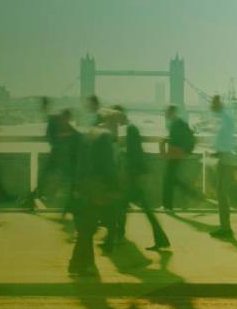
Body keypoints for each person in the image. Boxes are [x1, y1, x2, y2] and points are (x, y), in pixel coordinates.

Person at [111, 106, 170, 251]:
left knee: (122, 206)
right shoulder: (130, 129)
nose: (115, 120)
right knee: (127, 207)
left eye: (116, 117)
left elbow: (134, 153)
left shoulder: (130, 130)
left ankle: (117, 237)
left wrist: (129, 175)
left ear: (121, 115)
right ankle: (160, 238)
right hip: (133, 175)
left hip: (132, 177)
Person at [69, 109, 120, 276]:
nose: (117, 126)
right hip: (95, 188)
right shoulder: (105, 136)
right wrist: (113, 188)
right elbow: (107, 166)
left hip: (82, 186)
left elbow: (78, 160)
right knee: (88, 228)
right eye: (115, 122)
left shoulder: (89, 133)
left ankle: (81, 264)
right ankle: (80, 264)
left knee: (86, 228)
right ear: (110, 122)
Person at [207, 95, 237, 238]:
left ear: (218, 104)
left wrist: (216, 151)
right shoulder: (224, 116)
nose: (210, 105)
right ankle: (225, 226)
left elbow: (223, 139)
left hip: (224, 159)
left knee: (222, 193)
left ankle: (225, 228)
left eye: (213, 103)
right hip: (224, 158)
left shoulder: (224, 118)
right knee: (222, 193)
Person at [160, 105, 196, 210]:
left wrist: (166, 146)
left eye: (167, 112)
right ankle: (192, 194)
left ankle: (167, 205)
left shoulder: (176, 124)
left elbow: (175, 141)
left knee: (168, 180)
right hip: (178, 154)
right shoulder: (179, 123)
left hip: (174, 155)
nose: (165, 114)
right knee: (173, 179)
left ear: (171, 112)